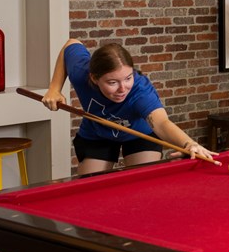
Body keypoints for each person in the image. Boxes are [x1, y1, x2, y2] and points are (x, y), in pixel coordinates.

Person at [42, 39, 215, 175]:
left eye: (128, 78)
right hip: (97, 132)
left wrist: (189, 143)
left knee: (143, 185)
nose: (122, 88)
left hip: (139, 134)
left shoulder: (140, 92)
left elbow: (161, 123)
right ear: (95, 78)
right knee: (91, 188)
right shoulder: (82, 74)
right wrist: (54, 89)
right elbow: (70, 44)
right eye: (112, 82)